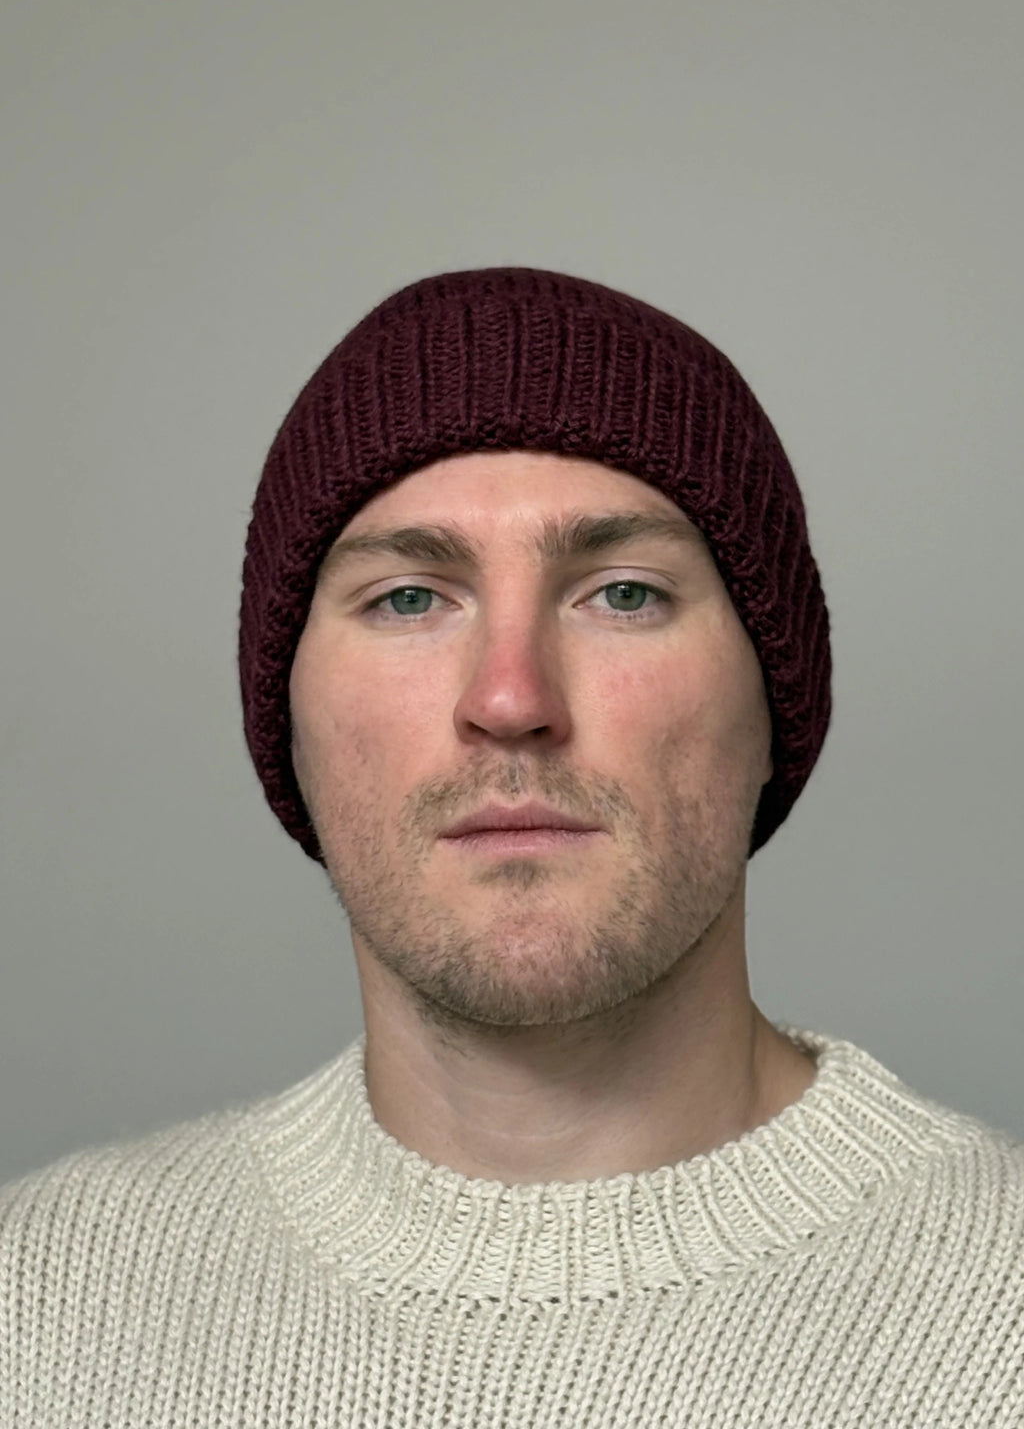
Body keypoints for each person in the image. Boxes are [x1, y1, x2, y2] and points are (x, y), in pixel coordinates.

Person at [2, 269, 1021, 1427]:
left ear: (774, 699)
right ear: (287, 718)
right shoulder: (37, 1310)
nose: (508, 697)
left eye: (623, 593)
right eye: (407, 599)